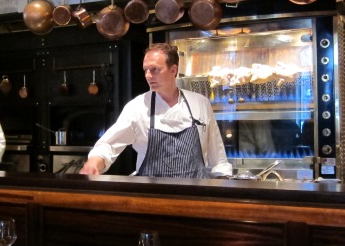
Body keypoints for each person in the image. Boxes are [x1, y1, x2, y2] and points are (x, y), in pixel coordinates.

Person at [80, 43, 232, 178]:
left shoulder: (200, 103)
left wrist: (222, 184)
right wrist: (94, 162)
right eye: (146, 70)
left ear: (173, 70)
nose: (148, 76)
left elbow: (217, 156)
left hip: (195, 196)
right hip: (151, 196)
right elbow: (109, 145)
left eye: (155, 70)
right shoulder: (137, 107)